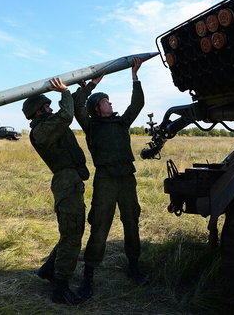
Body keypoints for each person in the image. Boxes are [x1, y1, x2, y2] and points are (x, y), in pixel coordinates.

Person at [73, 56, 149, 298]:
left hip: (127, 179)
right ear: (97, 108)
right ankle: (88, 277)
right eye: (106, 101)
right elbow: (77, 106)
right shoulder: (92, 126)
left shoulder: (121, 122)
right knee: (100, 227)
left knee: (131, 222)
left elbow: (137, 104)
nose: (110, 103)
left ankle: (134, 267)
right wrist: (91, 86)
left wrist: (135, 76)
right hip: (105, 181)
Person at [22, 78, 90, 305]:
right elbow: (66, 115)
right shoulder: (42, 131)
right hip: (65, 183)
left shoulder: (48, 124)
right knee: (72, 235)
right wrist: (65, 92)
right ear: (38, 112)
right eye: (46, 106)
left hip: (70, 180)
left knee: (70, 232)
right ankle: (61, 288)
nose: (51, 109)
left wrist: (87, 87)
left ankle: (49, 269)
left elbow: (69, 109)